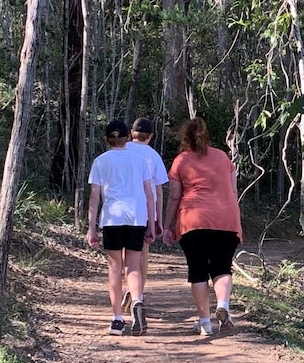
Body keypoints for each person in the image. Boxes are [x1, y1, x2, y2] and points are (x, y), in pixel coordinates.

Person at [162, 116, 242, 336]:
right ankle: (223, 305)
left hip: (193, 219)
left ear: (185, 137)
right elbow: (233, 191)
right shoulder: (223, 158)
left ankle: (205, 322)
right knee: (222, 267)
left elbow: (175, 197)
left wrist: (167, 226)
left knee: (198, 270)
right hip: (226, 218)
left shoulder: (181, 160)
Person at [87, 119, 156, 336]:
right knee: (133, 266)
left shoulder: (100, 161)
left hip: (112, 218)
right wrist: (152, 223)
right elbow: (149, 195)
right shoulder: (140, 160)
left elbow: (94, 197)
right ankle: (136, 300)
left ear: (107, 139)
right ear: (127, 138)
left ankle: (117, 319)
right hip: (137, 217)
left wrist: (91, 228)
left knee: (115, 268)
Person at [121, 117, 169, 325]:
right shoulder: (153, 156)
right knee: (142, 255)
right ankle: (137, 294)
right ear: (150, 136)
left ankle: (130, 289)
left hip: (121, 210)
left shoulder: (120, 150)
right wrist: (157, 219)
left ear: (132, 133)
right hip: (144, 212)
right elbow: (158, 189)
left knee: (125, 254)